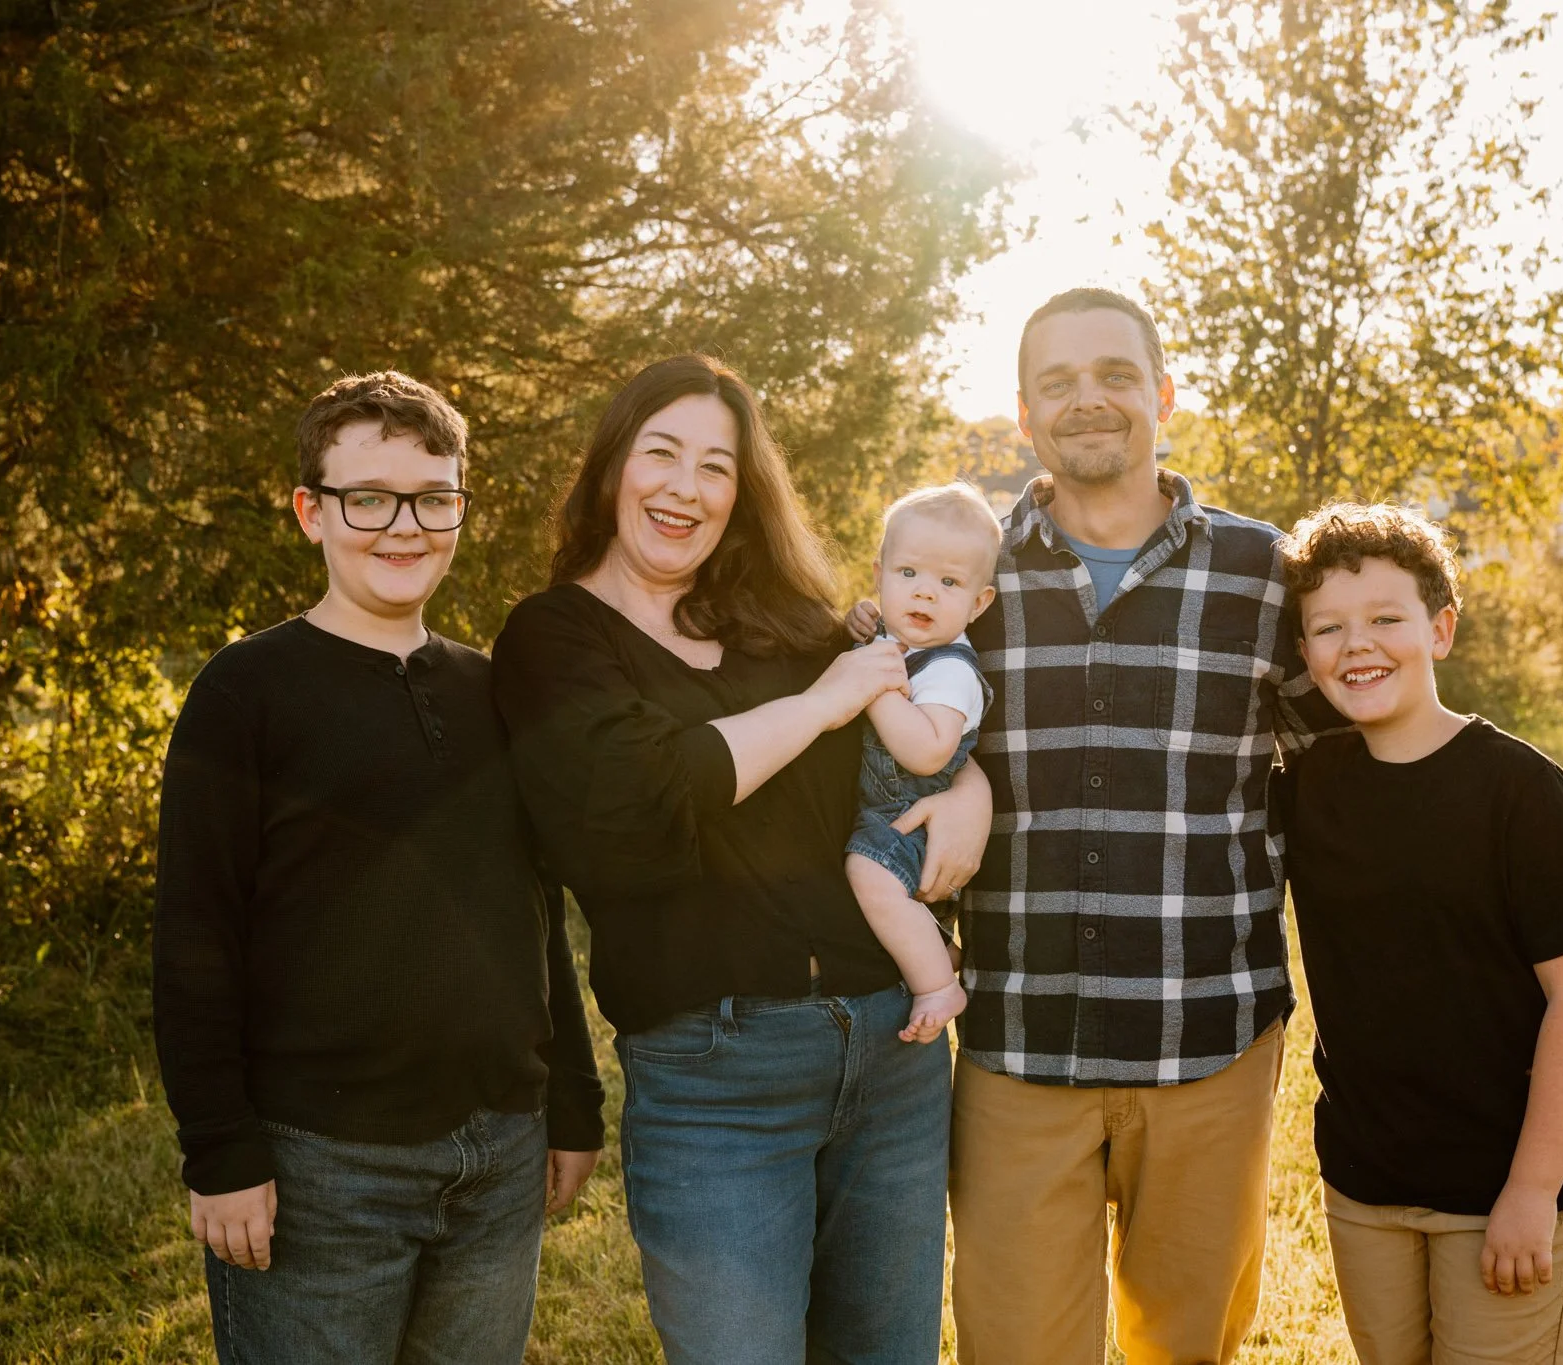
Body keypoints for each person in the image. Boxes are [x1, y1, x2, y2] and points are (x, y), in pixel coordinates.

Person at [855, 287, 1348, 1363]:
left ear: (1162, 394)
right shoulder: (960, 575)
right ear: (1022, 414)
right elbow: (866, 720)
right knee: (1014, 1346)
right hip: (1016, 1038)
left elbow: (1338, 785)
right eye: (1058, 382)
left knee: (1188, 1347)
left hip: (1207, 1036)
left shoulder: (1260, 573)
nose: (1089, 401)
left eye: (1115, 375)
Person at [491, 353, 987, 1364]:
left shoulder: (788, 626)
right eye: (659, 453)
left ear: (739, 494)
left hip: (890, 1052)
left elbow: (909, 734)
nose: (684, 487)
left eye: (714, 466)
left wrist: (965, 792)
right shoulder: (554, 642)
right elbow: (639, 808)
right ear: (609, 470)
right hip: (717, 1079)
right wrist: (816, 708)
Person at [151, 371, 604, 1365]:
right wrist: (221, 1151)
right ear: (311, 510)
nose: (404, 527)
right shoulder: (246, 693)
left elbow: (533, 914)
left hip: (499, 1158)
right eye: (369, 499)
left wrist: (571, 1099)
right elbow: (194, 936)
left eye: (434, 499)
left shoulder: (491, 690)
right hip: (322, 1168)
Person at [1272, 502, 1563, 1365]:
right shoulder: (1308, 787)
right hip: (1365, 1177)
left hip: (1502, 1184)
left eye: (1387, 619)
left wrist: (1533, 1191)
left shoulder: (1520, 791)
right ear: (1305, 653)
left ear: (1441, 629)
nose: (1358, 645)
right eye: (1328, 628)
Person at [845, 483, 1002, 1045]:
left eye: (949, 583)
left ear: (978, 603)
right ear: (879, 573)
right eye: (907, 573)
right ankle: (939, 943)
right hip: (883, 807)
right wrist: (864, 626)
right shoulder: (897, 639)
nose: (925, 594)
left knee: (870, 873)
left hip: (911, 814)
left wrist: (871, 685)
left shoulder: (950, 669)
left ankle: (937, 984)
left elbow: (928, 750)